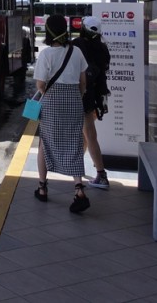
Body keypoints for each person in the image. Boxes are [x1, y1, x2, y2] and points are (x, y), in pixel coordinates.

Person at [32, 14, 91, 213]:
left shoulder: (47, 54)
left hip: (52, 103)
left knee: (45, 143)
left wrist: (50, 94)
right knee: (74, 143)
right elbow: (83, 83)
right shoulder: (77, 52)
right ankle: (79, 189)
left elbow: (40, 85)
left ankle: (42, 187)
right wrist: (76, 96)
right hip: (74, 101)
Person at [72, 15, 112, 189]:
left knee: (89, 134)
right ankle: (77, 167)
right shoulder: (103, 48)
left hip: (82, 94)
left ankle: (101, 175)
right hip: (97, 95)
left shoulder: (76, 45)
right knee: (86, 133)